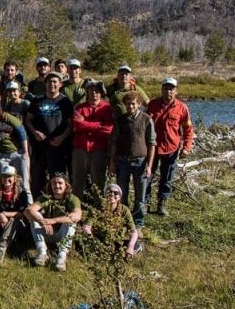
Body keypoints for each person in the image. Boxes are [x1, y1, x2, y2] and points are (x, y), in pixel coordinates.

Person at [145, 78, 195, 216]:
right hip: (152, 147)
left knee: (167, 178)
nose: (169, 91)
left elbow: (188, 130)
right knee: (147, 175)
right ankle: (145, 203)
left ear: (176, 91)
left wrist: (186, 147)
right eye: (166, 88)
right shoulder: (152, 105)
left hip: (171, 148)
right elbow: (143, 125)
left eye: (171, 89)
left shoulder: (182, 108)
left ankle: (162, 204)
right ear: (162, 90)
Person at [110, 91, 156, 230]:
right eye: (128, 104)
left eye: (133, 104)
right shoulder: (120, 120)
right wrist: (112, 163)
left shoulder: (146, 119)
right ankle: (123, 221)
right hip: (122, 161)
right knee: (121, 195)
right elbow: (114, 142)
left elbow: (152, 143)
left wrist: (149, 165)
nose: (130, 106)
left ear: (139, 104)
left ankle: (138, 224)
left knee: (140, 196)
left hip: (140, 162)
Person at [25, 72, 73, 197]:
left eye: (55, 82)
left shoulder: (65, 101)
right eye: (49, 82)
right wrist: (35, 132)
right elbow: (28, 120)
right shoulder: (37, 100)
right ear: (45, 84)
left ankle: (57, 206)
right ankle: (37, 208)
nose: (52, 84)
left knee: (57, 180)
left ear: (60, 84)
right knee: (37, 180)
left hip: (58, 147)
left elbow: (71, 124)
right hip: (39, 146)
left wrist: (61, 138)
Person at [25, 173, 82, 271]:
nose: (57, 186)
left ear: (66, 185)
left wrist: (53, 220)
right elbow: (28, 211)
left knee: (71, 222)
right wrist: (42, 221)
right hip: (47, 232)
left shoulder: (72, 199)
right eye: (54, 183)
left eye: (60, 183)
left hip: (62, 236)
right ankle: (42, 252)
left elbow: (77, 215)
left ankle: (61, 256)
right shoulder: (46, 198)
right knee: (33, 219)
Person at [71, 79, 113, 198]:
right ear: (87, 92)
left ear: (101, 93)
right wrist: (99, 125)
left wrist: (86, 124)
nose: (94, 93)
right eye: (91, 90)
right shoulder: (80, 108)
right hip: (80, 148)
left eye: (96, 91)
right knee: (78, 179)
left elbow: (108, 130)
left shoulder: (107, 108)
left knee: (98, 180)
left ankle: (99, 207)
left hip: (98, 149)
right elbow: (77, 125)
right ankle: (76, 206)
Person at [0, 165, 29, 265]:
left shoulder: (22, 193)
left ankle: (1, 249)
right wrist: (0, 215)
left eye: (9, 177)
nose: (6, 179)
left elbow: (22, 213)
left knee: (13, 219)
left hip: (14, 225)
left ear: (14, 178)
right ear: (1, 178)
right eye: (4, 177)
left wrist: (4, 214)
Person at [82, 184, 139, 258]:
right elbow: (86, 227)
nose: (112, 194)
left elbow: (133, 231)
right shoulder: (96, 207)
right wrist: (92, 240)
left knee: (136, 244)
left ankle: (124, 255)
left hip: (117, 240)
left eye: (116, 193)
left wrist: (130, 247)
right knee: (81, 242)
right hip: (99, 240)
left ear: (119, 197)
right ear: (105, 195)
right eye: (109, 192)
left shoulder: (124, 210)